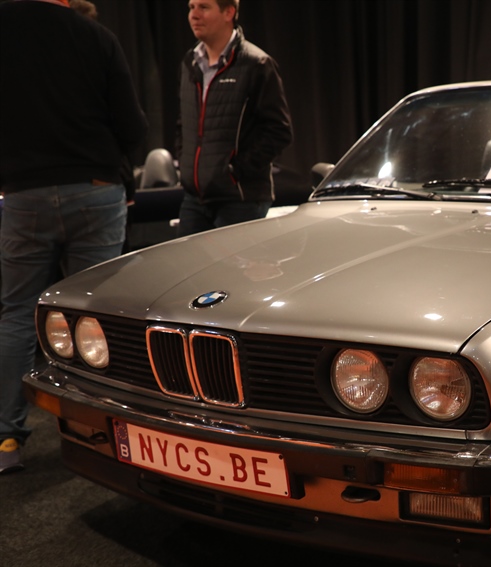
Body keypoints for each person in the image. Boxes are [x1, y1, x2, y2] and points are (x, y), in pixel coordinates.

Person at [0, 0, 147, 474]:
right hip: (95, 190)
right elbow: (132, 126)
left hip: (23, 194)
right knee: (92, 315)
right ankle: (96, 434)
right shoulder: (94, 35)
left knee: (17, 313)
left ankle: (6, 439)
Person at [176, 0, 293, 236]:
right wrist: (185, 163)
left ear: (229, 12)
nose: (194, 15)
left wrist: (234, 172)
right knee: (184, 260)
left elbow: (279, 131)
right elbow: (183, 123)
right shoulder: (190, 62)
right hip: (195, 198)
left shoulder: (256, 64)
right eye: (191, 7)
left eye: (203, 7)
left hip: (240, 198)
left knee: (230, 262)